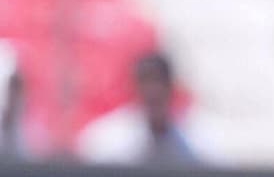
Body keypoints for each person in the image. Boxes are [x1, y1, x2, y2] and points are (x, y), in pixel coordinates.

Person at [76, 48, 219, 165]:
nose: (152, 91)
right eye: (145, 82)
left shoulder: (196, 134)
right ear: (133, 86)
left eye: (158, 81)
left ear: (170, 86)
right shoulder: (108, 135)